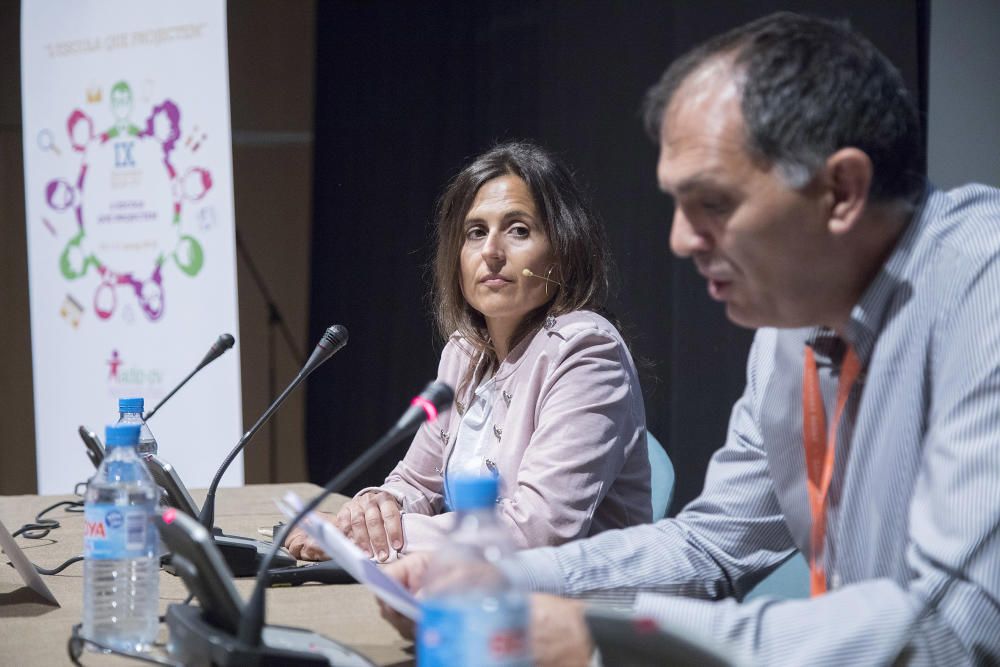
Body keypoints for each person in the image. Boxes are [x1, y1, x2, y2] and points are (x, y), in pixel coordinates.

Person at [380, 12, 1000, 665]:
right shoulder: (792, 329)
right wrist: (498, 580)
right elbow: (709, 549)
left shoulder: (980, 294)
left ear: (841, 190)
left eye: (714, 203)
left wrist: (601, 634)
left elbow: (952, 627)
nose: (680, 239)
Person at [288, 141, 651, 562]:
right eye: (476, 232)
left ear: (564, 250)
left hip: (578, 613)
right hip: (478, 592)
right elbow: (417, 482)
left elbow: (535, 530)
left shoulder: (586, 352)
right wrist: (375, 507)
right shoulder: (465, 352)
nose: (491, 252)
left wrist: (367, 539)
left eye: (518, 230)